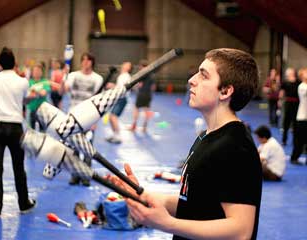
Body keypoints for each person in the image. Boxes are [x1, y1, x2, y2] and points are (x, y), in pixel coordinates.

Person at [110, 48, 262, 240]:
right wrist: (143, 195)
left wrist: (167, 223)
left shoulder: (237, 147)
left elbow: (241, 230)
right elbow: (194, 203)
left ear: (225, 91)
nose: (192, 79)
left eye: (204, 75)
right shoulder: (207, 137)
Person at [0, 47, 36, 218]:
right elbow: (25, 99)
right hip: (15, 128)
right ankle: (24, 204)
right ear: (15, 63)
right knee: (19, 167)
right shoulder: (22, 81)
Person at [63, 52, 103, 186]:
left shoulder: (97, 79)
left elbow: (100, 101)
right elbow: (64, 90)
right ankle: (75, 175)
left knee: (87, 149)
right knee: (74, 149)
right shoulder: (73, 75)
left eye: (88, 60)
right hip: (74, 117)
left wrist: (96, 121)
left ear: (92, 62)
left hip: (89, 118)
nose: (85, 62)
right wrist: (64, 77)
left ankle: (86, 176)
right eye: (83, 60)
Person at [106, 62, 132, 144]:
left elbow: (122, 88)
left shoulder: (126, 76)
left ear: (129, 68)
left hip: (122, 98)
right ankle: (115, 135)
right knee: (111, 117)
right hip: (118, 98)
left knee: (113, 117)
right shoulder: (122, 75)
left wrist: (112, 86)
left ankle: (118, 137)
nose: (124, 64)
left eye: (127, 64)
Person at [129, 60, 156, 133]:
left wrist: (135, 87)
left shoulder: (142, 74)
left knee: (136, 109)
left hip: (141, 94)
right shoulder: (152, 74)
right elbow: (153, 87)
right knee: (147, 110)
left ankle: (134, 126)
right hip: (148, 95)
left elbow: (139, 85)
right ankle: (145, 127)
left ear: (142, 66)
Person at [279, 67, 300, 145]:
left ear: (292, 73)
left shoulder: (298, 82)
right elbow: (282, 93)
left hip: (296, 104)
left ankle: (295, 141)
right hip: (287, 104)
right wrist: (280, 100)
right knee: (286, 123)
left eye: (288, 72)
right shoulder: (285, 82)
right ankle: (284, 140)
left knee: (295, 123)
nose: (286, 74)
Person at [290, 67, 307, 165]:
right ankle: (294, 157)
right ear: (301, 76)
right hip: (302, 117)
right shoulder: (302, 86)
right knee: (299, 140)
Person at [26, 64, 51, 129]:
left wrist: (34, 90)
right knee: (31, 130)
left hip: (42, 110)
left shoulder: (45, 81)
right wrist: (38, 92)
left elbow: (43, 93)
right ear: (32, 72)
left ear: (41, 72)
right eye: (35, 71)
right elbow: (28, 96)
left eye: (38, 71)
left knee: (43, 130)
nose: (36, 72)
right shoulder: (29, 82)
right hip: (32, 109)